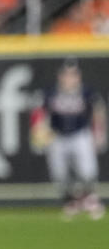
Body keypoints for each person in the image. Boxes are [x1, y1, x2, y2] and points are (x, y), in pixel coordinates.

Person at [32, 59, 106, 220]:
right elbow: (38, 113)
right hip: (58, 135)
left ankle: (90, 198)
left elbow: (98, 111)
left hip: (80, 133)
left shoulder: (87, 92)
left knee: (88, 171)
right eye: (66, 75)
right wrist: (38, 131)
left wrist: (99, 133)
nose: (69, 78)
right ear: (60, 76)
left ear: (78, 76)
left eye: (73, 75)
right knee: (59, 175)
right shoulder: (50, 93)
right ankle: (71, 201)